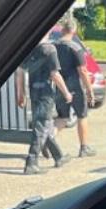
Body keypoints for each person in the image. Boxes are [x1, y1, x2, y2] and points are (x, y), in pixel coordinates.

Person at [15, 34, 72, 174]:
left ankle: (58, 156)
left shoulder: (29, 49)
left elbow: (20, 72)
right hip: (45, 93)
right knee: (41, 126)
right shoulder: (49, 49)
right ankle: (31, 162)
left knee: (43, 124)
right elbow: (54, 74)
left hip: (33, 91)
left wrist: (21, 93)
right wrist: (66, 93)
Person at [52, 17, 96, 157]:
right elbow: (82, 71)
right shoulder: (75, 47)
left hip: (60, 84)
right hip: (74, 84)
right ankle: (84, 147)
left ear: (62, 30)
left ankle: (48, 139)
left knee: (62, 117)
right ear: (74, 31)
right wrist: (89, 90)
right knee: (82, 115)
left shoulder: (54, 46)